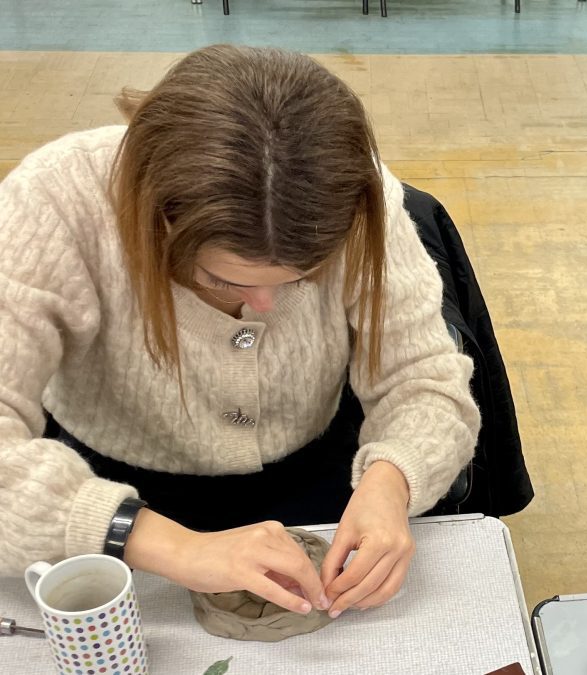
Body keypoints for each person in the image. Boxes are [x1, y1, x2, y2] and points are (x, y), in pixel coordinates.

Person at [0, 45, 481, 620]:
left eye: (302, 278)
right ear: (159, 218)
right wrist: (170, 546)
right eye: (222, 279)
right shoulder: (54, 201)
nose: (265, 306)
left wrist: (392, 480)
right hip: (103, 497)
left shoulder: (361, 199)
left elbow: (424, 376)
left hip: (321, 479)